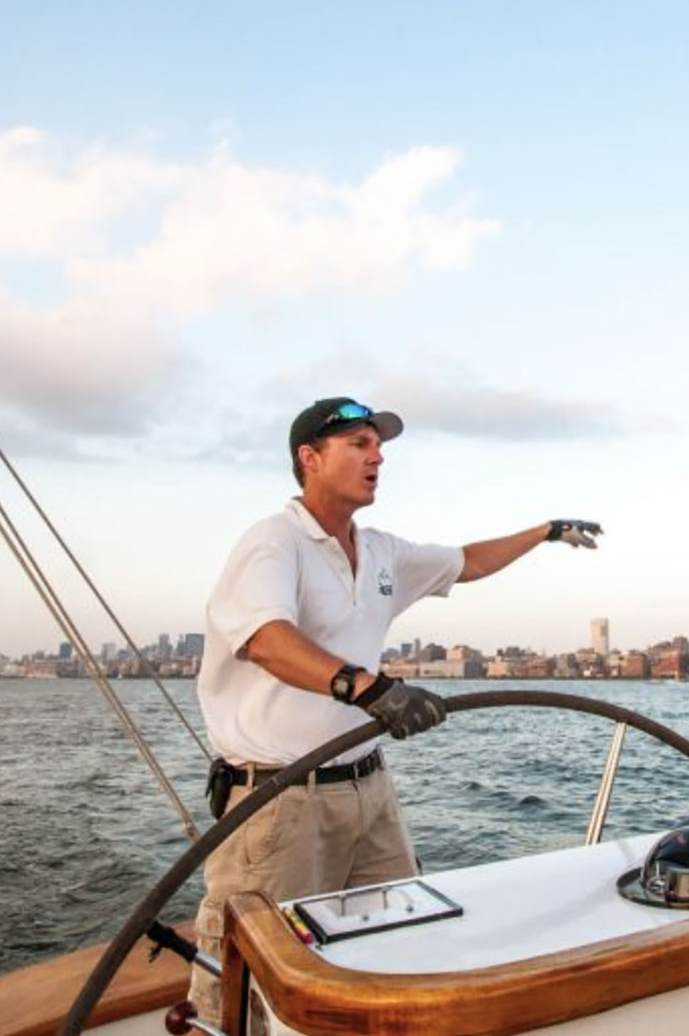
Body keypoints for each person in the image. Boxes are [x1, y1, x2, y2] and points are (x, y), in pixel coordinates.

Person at [188, 395, 601, 1018]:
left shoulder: (381, 552)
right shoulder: (273, 543)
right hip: (278, 801)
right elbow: (265, 640)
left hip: (369, 792)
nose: (377, 456)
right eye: (359, 444)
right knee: (237, 995)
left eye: (378, 445)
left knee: (396, 951)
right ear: (310, 458)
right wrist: (373, 689)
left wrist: (544, 532)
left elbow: (467, 561)